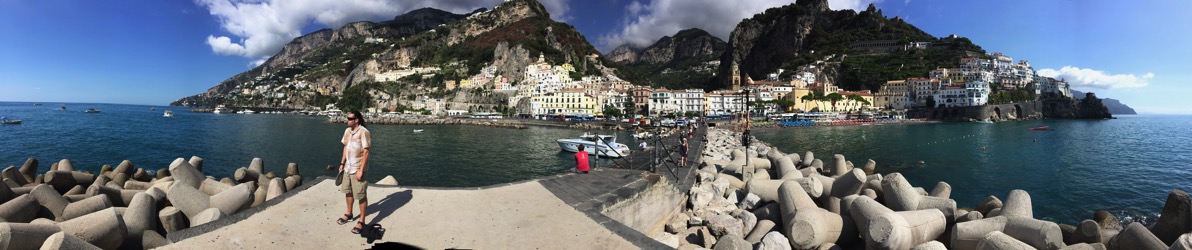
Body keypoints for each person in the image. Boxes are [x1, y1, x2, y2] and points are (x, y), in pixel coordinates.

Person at [336, 111, 372, 234]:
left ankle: (361, 221)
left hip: (358, 168)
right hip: (347, 167)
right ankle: (349, 213)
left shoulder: (364, 132)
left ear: (356, 120)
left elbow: (366, 152)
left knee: (361, 195)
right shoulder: (347, 131)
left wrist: (361, 170)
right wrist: (342, 163)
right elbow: (345, 147)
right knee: (348, 191)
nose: (347, 120)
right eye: (347, 118)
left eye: (350, 118)